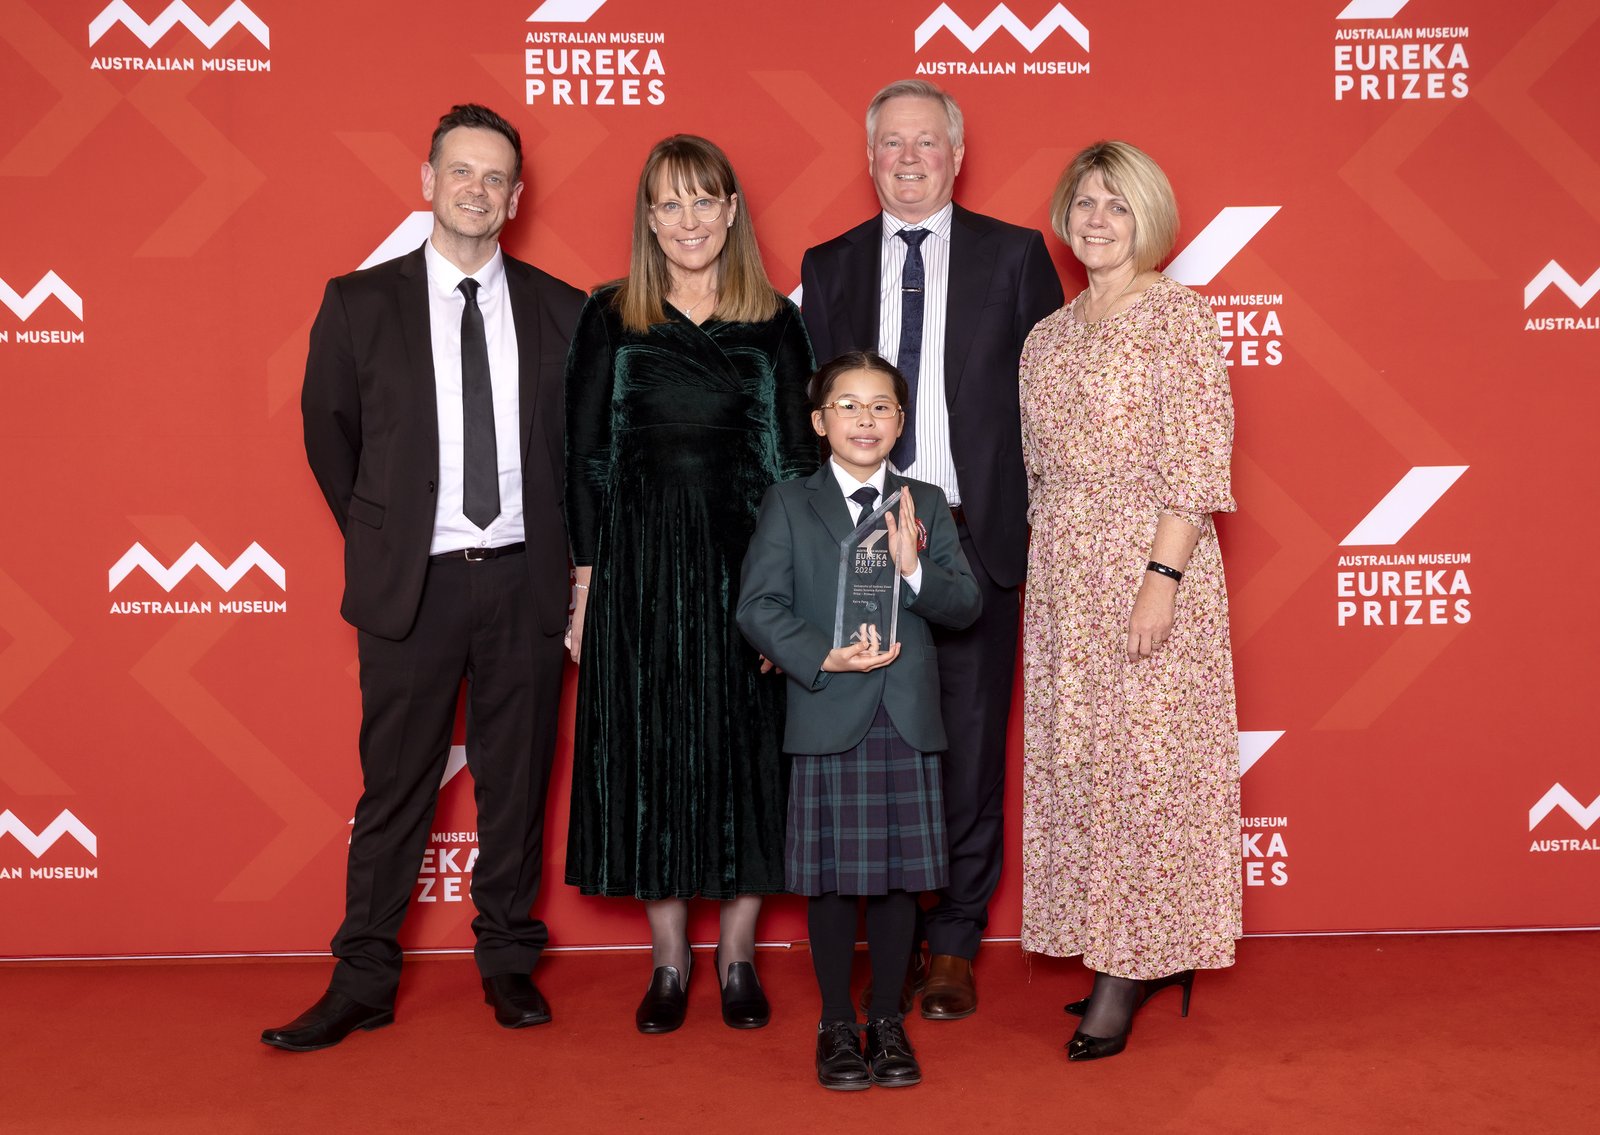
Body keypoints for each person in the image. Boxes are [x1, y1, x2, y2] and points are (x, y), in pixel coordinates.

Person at [265, 104, 584, 1052]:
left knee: (517, 781)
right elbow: (333, 437)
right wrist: (389, 535)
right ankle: (363, 974)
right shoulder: (358, 302)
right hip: (416, 582)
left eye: (496, 178)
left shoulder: (563, 309)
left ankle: (508, 960)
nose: (478, 190)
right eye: (462, 172)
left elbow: (578, 454)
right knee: (394, 784)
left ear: (516, 197)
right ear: (428, 180)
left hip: (526, 578)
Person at [800, 79, 1063, 1019]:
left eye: (926, 144)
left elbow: (1052, 403)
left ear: (956, 155)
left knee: (969, 750)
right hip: (860, 540)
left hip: (971, 535)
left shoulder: (1016, 255)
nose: (908, 160)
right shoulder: (827, 264)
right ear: (870, 159)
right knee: (871, 746)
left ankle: (952, 940)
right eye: (891, 146)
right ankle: (888, 934)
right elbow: (815, 414)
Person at [563, 134, 817, 1034]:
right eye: (669, 204)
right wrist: (587, 585)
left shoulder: (776, 322)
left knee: (745, 746)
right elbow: (586, 458)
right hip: (637, 568)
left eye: (704, 200)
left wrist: (791, 595)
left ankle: (738, 957)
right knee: (651, 748)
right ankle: (669, 962)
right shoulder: (608, 316)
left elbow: (796, 463)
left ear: (732, 211)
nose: (688, 221)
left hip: (746, 569)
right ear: (648, 218)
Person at [1018, 139, 1241, 1062]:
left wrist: (1163, 581)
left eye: (1116, 204)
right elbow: (1037, 471)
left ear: (1149, 219)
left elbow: (1196, 465)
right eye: (1084, 204)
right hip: (1065, 575)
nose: (1097, 220)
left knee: (1147, 774)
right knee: (1087, 768)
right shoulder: (1048, 333)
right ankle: (1122, 947)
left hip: (1151, 565)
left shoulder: (1180, 320)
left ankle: (1134, 965)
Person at [737, 351, 981, 1090]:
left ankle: (886, 1019)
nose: (865, 419)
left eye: (881, 407)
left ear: (901, 422)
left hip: (905, 716)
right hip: (827, 708)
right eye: (848, 405)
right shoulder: (787, 502)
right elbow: (757, 606)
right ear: (819, 421)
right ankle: (837, 1023)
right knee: (835, 883)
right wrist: (821, 656)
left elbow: (966, 605)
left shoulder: (928, 503)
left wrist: (914, 568)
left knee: (903, 882)